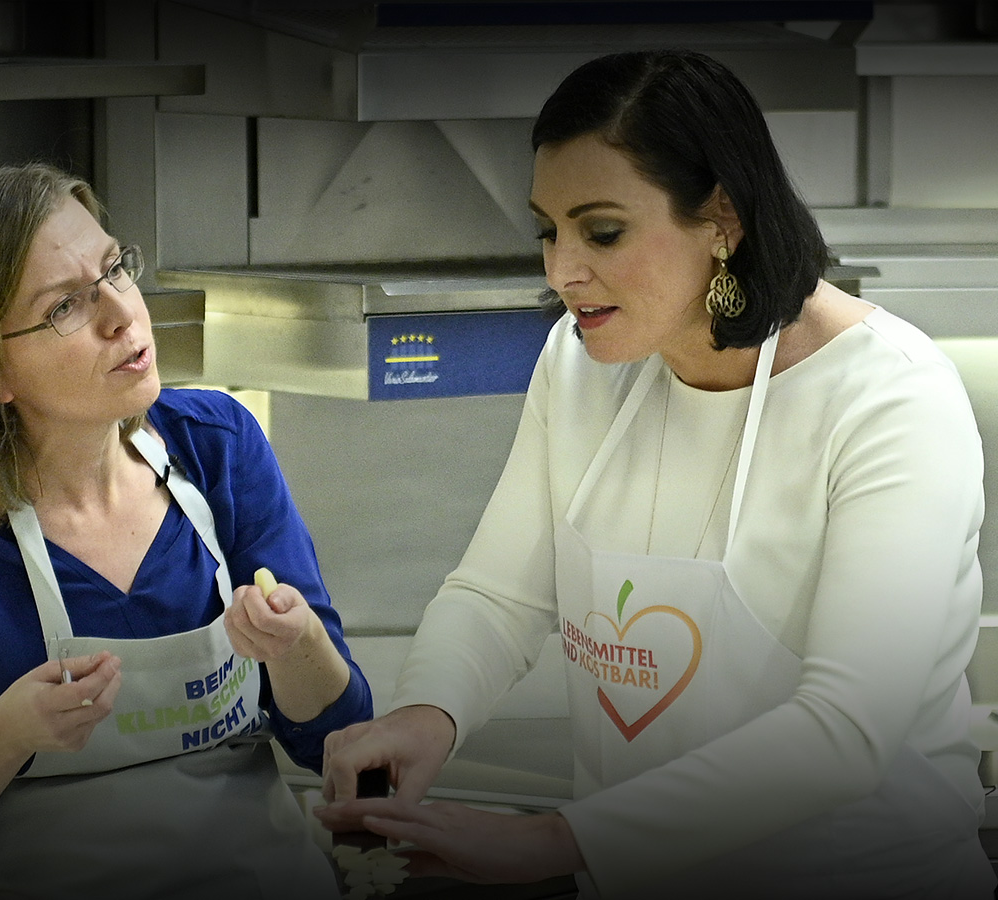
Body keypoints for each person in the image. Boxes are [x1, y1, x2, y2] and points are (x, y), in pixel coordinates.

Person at [315, 48, 995, 900]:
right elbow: (500, 595)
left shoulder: (890, 397)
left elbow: (848, 728)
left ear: (722, 218)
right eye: (548, 230)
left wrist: (556, 841)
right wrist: (428, 714)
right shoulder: (580, 363)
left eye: (602, 232)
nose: (561, 270)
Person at [0, 162, 372, 900]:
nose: (123, 314)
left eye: (115, 269)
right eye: (65, 307)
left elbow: (339, 741)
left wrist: (299, 642)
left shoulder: (218, 447)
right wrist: (6, 732)